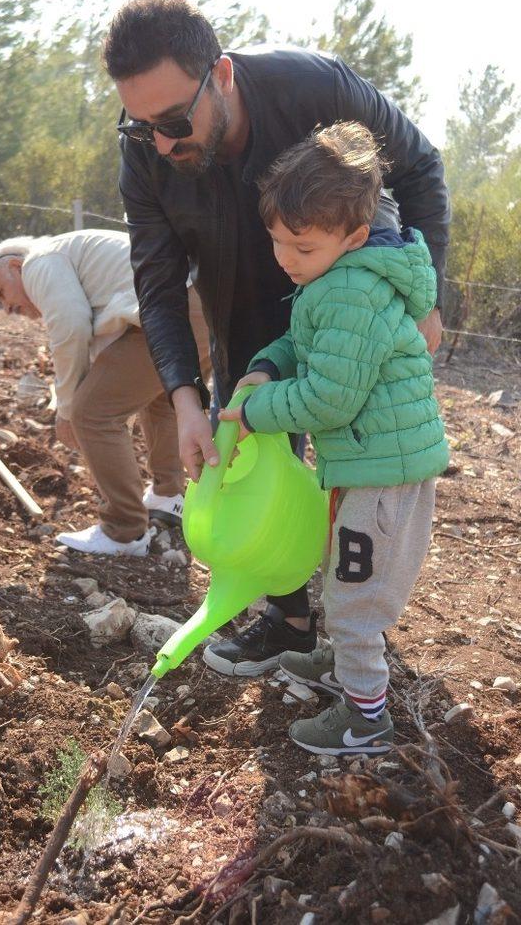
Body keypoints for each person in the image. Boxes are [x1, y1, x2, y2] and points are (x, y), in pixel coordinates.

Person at [103, 0, 450, 673]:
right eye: (142, 127)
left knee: (364, 449)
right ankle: (290, 614)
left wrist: (424, 291)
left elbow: (420, 167)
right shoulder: (144, 151)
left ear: (222, 76)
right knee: (248, 440)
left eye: (175, 120)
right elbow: (157, 277)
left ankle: (358, 615)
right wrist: (183, 400)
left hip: (348, 287)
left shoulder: (314, 88)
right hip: (239, 297)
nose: (163, 143)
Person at [218, 122, 449, 754]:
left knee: (354, 596)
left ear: (352, 236)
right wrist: (267, 363)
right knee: (344, 577)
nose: (285, 258)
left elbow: (330, 397)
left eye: (302, 246)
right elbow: (305, 344)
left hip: (383, 471)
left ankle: (365, 717)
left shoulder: (351, 289)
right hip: (370, 462)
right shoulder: (336, 277)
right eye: (276, 240)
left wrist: (258, 409)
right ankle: (347, 667)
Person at [0, 229, 211, 556]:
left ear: (16, 266)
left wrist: (66, 411)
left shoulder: (39, 261)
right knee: (162, 400)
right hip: (200, 305)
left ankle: (124, 531)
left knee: (91, 413)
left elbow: (72, 326)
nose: (6, 308)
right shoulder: (69, 253)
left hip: (172, 308)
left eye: (0, 293)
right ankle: (167, 496)